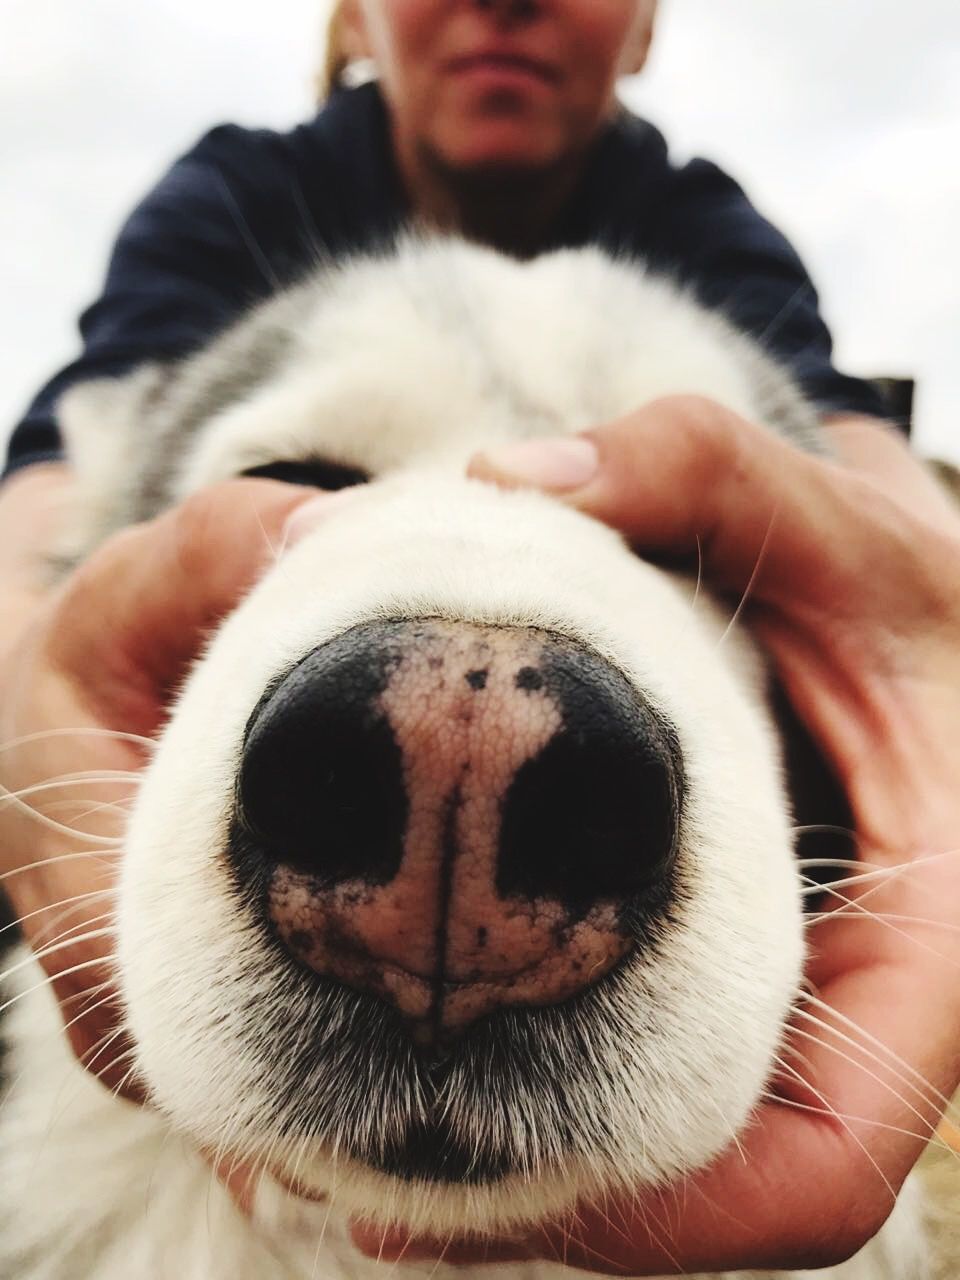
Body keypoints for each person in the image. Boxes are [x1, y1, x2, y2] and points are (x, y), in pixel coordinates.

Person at [2, 0, 958, 1271]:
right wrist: (27, 659)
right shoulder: (241, 192)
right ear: (353, 15)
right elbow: (56, 496)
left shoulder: (712, 230)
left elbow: (871, 498)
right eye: (303, 466)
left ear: (645, 29)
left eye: (690, 555)